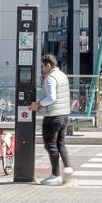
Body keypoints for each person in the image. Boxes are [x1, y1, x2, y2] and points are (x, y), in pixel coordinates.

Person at [28, 55, 72, 185]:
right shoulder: (62, 75)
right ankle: (68, 167)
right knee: (61, 143)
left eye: (42, 66)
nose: (41, 69)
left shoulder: (50, 78)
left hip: (52, 116)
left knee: (50, 145)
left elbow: (51, 97)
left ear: (48, 66)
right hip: (64, 115)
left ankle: (55, 175)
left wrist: (38, 104)